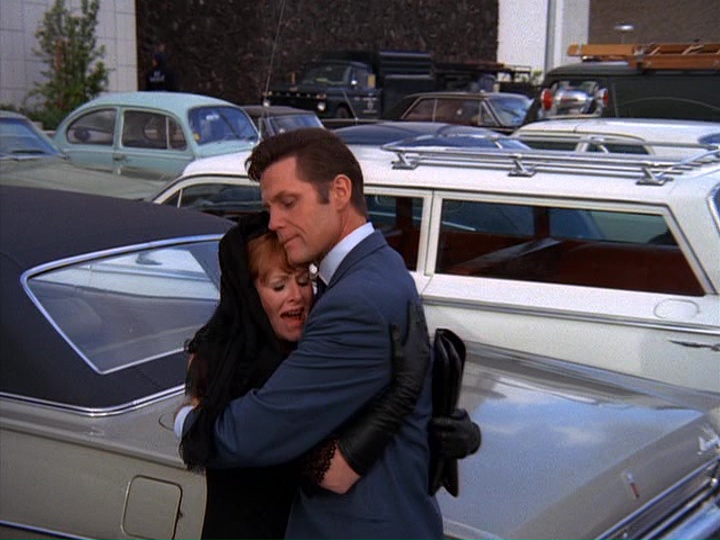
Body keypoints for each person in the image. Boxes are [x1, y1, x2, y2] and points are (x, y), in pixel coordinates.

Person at [178, 128, 466, 540]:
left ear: (340, 191)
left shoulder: (356, 300)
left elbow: (260, 432)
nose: (274, 222)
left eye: (288, 202)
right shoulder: (376, 267)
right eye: (270, 207)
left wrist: (187, 421)